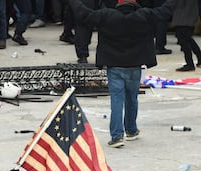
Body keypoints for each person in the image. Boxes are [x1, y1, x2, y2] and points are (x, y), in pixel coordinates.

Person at [67, 0, 177, 147]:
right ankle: (131, 130)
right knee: (132, 99)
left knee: (117, 101)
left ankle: (117, 136)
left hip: (115, 66)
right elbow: (165, 11)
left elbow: (84, 14)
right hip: (135, 66)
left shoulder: (106, 15)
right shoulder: (144, 15)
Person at [171, 0, 201, 72]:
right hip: (187, 14)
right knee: (188, 38)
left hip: (184, 15)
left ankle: (190, 64)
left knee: (184, 39)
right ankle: (199, 59)